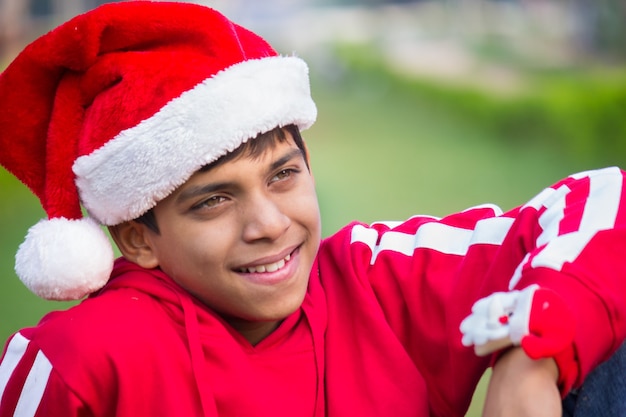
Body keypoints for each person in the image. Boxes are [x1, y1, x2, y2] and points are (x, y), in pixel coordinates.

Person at [0, 2, 624, 416]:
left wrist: (537, 346)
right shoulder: (81, 362)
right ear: (137, 238)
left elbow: (605, 204)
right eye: (214, 201)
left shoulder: (375, 281)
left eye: (283, 175)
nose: (269, 224)